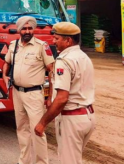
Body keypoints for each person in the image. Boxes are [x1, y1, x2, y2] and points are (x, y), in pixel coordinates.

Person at [34, 22, 96, 164]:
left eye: (57, 38)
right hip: (88, 117)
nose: (53, 41)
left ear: (68, 40)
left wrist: (42, 123)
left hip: (72, 119)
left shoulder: (64, 60)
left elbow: (62, 98)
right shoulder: (84, 57)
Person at [2, 16, 54, 164]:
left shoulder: (42, 46)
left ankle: (41, 162)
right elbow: (6, 62)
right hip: (17, 93)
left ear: (33, 29)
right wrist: (4, 76)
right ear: (19, 30)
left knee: (38, 130)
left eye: (30, 28)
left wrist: (49, 97)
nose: (27, 31)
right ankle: (24, 161)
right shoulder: (14, 45)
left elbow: (51, 71)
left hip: (33, 94)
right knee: (21, 129)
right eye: (24, 28)